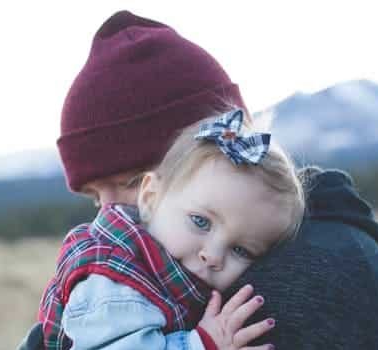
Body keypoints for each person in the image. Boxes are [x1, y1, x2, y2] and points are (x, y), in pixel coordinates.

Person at [19, 10, 378, 350]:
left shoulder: (300, 279)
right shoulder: (128, 272)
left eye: (129, 181)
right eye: (94, 197)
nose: (109, 213)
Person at [36, 109, 304, 349]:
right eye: (200, 221)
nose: (212, 256)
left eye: (240, 249)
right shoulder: (114, 281)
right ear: (151, 196)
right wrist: (202, 344)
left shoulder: (164, 271)